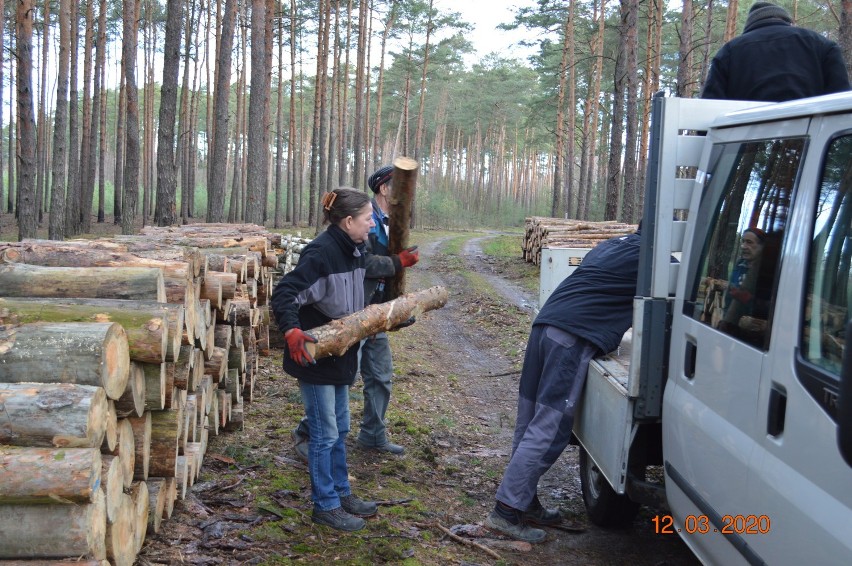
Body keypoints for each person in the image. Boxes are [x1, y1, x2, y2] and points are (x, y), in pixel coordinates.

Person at [485, 228, 642, 543]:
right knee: (549, 428)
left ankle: (523, 500)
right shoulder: (653, 258)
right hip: (571, 337)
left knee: (529, 421)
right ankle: (506, 512)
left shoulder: (613, 244)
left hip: (545, 326)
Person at [270, 187, 380, 533]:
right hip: (315, 356)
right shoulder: (321, 252)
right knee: (324, 433)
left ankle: (341, 493)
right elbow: (285, 292)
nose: (372, 224)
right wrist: (290, 330)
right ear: (348, 221)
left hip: (342, 355)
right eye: (367, 219)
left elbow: (358, 294)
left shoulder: (356, 249)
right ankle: (325, 505)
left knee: (341, 427)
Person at [292, 165, 419, 459]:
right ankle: (307, 434)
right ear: (384, 189)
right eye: (399, 185)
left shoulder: (393, 221)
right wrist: (396, 263)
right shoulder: (362, 218)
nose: (408, 193)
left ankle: (373, 435)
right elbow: (362, 263)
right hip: (351, 312)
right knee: (340, 379)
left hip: (376, 311)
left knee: (380, 375)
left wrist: (394, 310)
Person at [701, 2, 850, 102]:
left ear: (750, 25)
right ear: (787, 20)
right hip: (813, 143)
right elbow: (842, 102)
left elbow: (709, 109)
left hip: (747, 145)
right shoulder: (822, 45)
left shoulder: (729, 52)